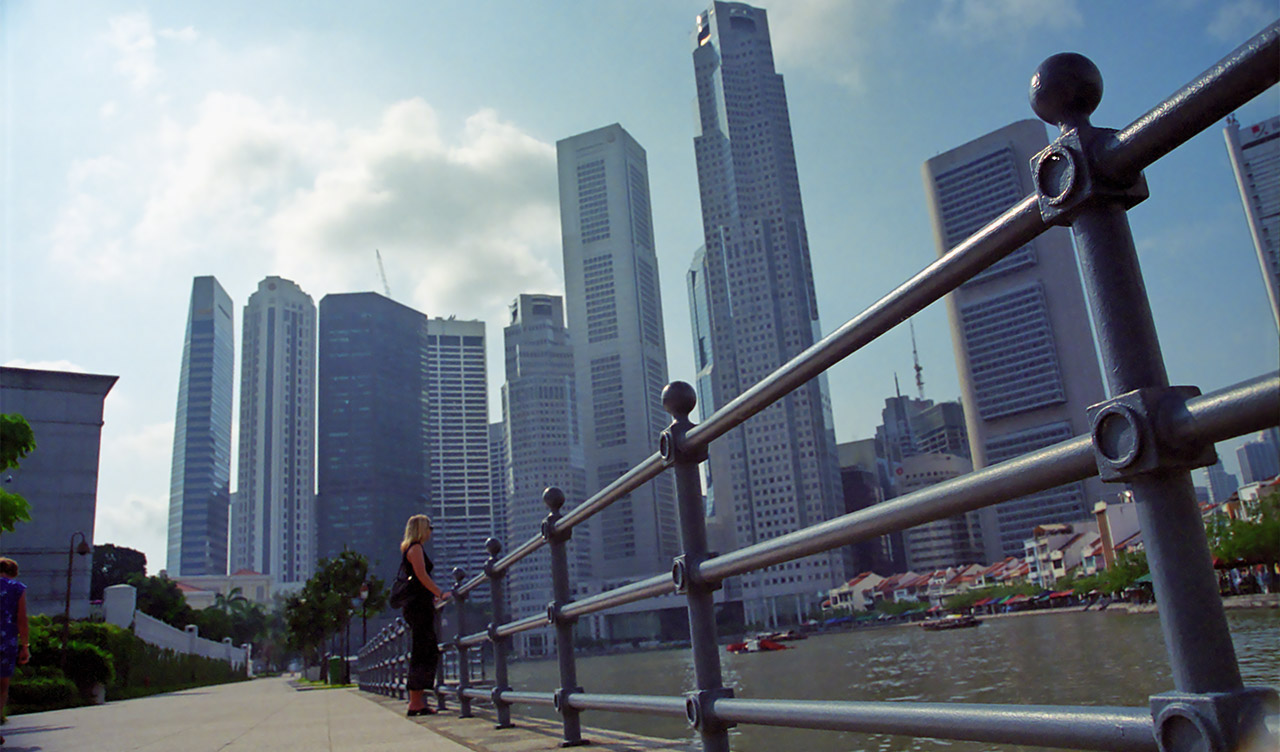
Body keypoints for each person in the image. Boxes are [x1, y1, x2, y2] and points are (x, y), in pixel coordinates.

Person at [399, 515, 449, 717]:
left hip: (418, 604)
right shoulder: (416, 548)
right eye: (429, 527)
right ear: (421, 529)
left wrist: (432, 597)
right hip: (418, 607)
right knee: (424, 650)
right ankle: (415, 702)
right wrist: (440, 593)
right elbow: (421, 575)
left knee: (424, 649)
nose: (431, 531)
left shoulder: (409, 548)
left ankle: (417, 701)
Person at [0, 558, 29, 744]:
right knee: (2, 686)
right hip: (5, 641)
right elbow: (22, 619)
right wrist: (25, 646)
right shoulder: (17, 588)